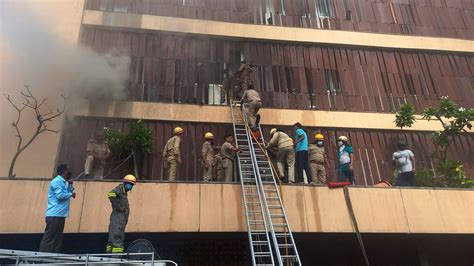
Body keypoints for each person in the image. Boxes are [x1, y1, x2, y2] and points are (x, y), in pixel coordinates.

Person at [39, 164, 76, 253]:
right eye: (67, 170)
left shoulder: (63, 182)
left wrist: (70, 184)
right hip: (54, 214)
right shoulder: (56, 181)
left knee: (57, 238)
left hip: (60, 215)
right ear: (63, 172)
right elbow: (60, 196)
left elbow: (69, 191)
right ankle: (42, 257)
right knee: (50, 238)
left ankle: (54, 256)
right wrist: (71, 195)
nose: (69, 172)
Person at [106, 174, 137, 253]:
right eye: (130, 184)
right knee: (117, 236)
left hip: (120, 219)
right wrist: (118, 207)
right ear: (125, 183)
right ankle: (117, 257)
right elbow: (111, 194)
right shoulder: (119, 189)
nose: (131, 186)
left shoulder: (123, 192)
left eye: (132, 185)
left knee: (113, 237)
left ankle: (109, 255)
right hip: (118, 218)